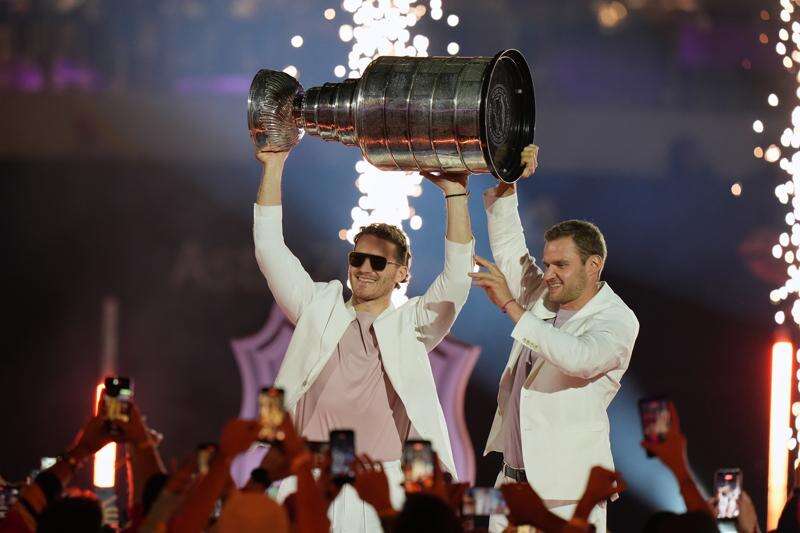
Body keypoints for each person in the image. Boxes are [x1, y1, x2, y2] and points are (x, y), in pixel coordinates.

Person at [252, 148, 474, 532]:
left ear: (402, 272)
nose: (365, 269)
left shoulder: (411, 324)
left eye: (378, 262)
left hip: (380, 486)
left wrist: (455, 194)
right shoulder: (318, 306)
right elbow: (270, 251)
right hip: (309, 479)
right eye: (358, 259)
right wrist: (274, 165)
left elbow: (456, 281)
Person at [469, 144, 639, 533]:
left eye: (561, 265)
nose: (548, 274)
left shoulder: (618, 320)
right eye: (547, 264)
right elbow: (511, 249)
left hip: (567, 496)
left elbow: (577, 358)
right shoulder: (544, 297)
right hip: (511, 486)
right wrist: (508, 179)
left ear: (593, 265)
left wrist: (511, 306)